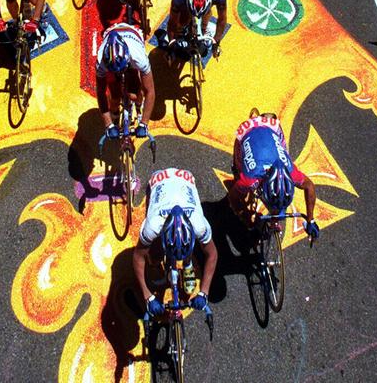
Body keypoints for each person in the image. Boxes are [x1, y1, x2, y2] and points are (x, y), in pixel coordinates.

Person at [133, 168, 218, 317]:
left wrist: (205, 292)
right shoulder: (153, 225)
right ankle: (171, 255)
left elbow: (212, 254)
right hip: (158, 181)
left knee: (184, 247)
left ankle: (187, 263)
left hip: (185, 181)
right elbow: (138, 256)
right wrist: (147, 296)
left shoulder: (198, 224)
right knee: (154, 254)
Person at [228, 111, 320, 238]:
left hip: (272, 129)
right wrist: (246, 216)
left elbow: (309, 186)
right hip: (246, 132)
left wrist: (311, 219)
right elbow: (232, 198)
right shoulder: (250, 179)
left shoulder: (290, 171)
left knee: (284, 152)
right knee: (238, 174)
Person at [96, 23, 156, 138]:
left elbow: (150, 91)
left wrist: (144, 123)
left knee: (134, 93)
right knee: (114, 95)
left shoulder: (138, 57)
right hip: (111, 34)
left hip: (133, 35)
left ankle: (139, 104)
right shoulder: (101, 61)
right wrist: (108, 124)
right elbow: (101, 92)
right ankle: (115, 114)